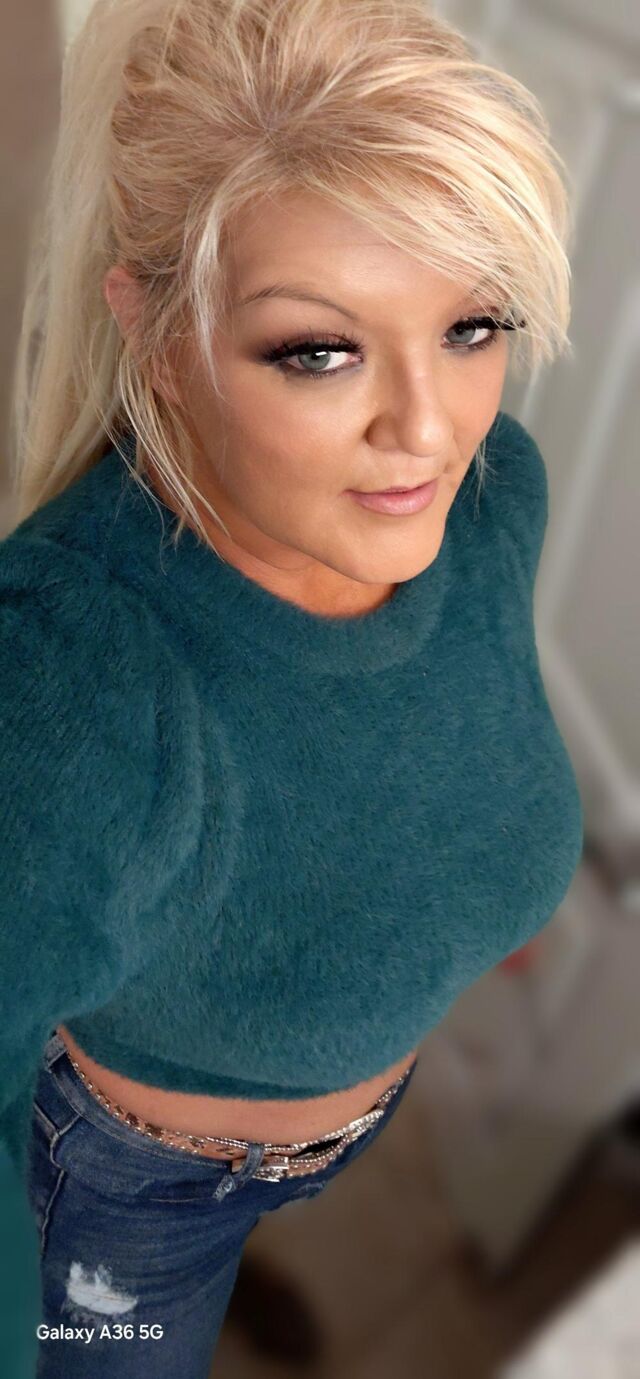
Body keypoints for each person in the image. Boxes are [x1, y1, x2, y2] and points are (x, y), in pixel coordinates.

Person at [0, 0, 584, 1374]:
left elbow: (423, 729)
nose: (430, 428)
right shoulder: (75, 676)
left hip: (304, 1144)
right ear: (157, 335)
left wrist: (454, 893)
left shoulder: (488, 501)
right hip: (121, 1208)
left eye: (473, 323)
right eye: (319, 350)